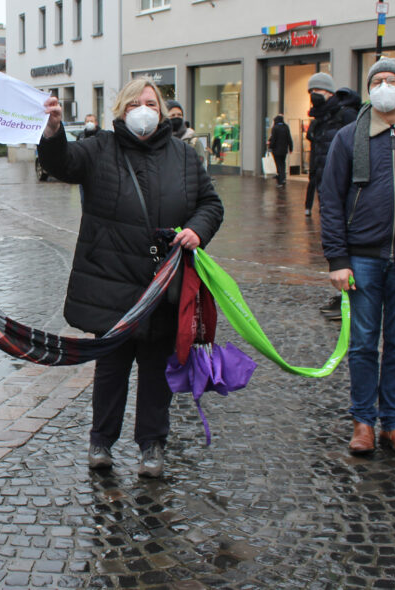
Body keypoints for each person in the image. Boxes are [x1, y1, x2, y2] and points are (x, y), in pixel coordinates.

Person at [37, 78, 224, 477]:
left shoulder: (184, 156)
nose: (145, 109)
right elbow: (61, 163)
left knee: (157, 371)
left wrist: (197, 229)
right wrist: (52, 131)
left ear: (162, 110)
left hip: (163, 286)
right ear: (121, 109)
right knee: (111, 371)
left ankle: (152, 446)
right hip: (111, 284)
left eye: (152, 103)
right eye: (136, 102)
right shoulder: (100, 148)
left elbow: (211, 203)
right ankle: (101, 441)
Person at [320, 58, 395, 456]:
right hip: (362, 259)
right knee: (364, 344)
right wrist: (337, 259)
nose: (384, 86)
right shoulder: (349, 137)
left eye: (392, 80)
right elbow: (330, 200)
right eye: (376, 80)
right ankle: (363, 422)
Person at [306, 73, 360, 217]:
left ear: (329, 92)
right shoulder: (318, 119)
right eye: (310, 91)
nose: (313, 94)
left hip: (343, 183)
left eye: (317, 90)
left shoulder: (346, 115)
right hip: (323, 182)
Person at [267, 114, 293, 188]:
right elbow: (289, 138)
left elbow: (273, 139)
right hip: (284, 150)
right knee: (283, 164)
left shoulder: (275, 128)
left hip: (276, 150)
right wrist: (291, 148)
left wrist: (270, 146)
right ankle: (283, 178)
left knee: (278, 165)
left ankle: (280, 181)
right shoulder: (286, 127)